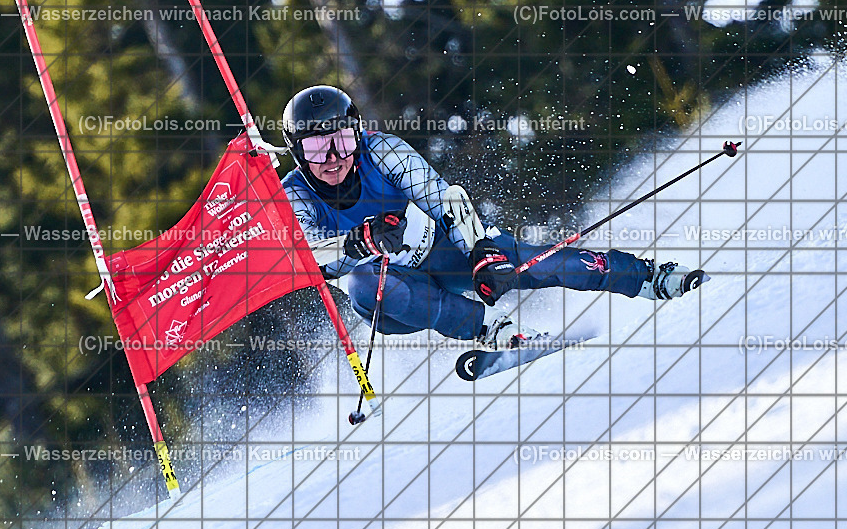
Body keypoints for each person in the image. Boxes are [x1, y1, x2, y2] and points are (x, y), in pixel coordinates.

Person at [280, 85, 709, 350]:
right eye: (316, 149)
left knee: (537, 265)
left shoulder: (382, 150)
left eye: (341, 142)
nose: (332, 158)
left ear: (357, 135)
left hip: (444, 250)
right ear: (297, 152)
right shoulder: (292, 194)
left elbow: (441, 198)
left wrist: (481, 250)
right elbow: (307, 257)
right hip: (391, 297)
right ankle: (491, 330)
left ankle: (648, 277)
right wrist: (357, 242)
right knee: (361, 282)